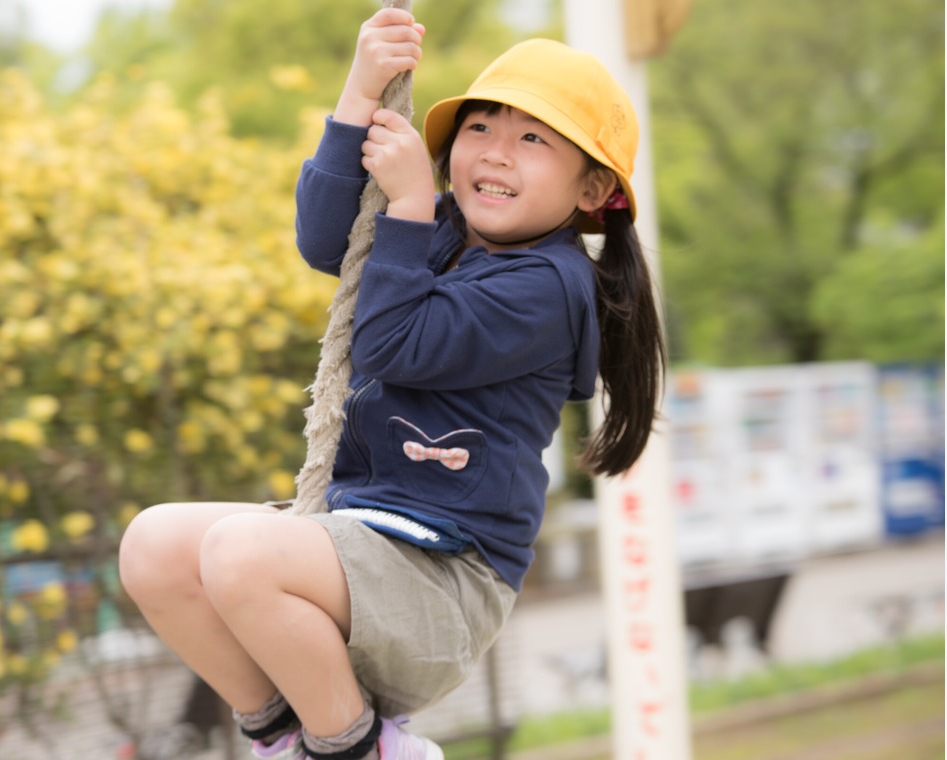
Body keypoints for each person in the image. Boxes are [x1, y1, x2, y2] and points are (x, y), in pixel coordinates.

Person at [118, 7, 664, 760]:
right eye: (480, 128)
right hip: (363, 543)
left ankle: (357, 748)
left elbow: (393, 345)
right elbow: (325, 242)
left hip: (441, 582)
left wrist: (408, 206)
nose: (496, 154)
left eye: (532, 139)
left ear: (592, 188)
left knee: (240, 554)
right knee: (155, 546)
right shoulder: (440, 229)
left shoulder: (550, 286)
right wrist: (359, 92)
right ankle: (283, 735)